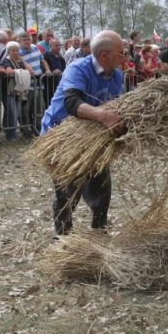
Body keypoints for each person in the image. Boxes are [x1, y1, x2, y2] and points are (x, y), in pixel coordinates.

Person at [41, 30, 125, 235]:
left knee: (101, 187)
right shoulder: (78, 69)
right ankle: (63, 239)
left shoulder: (116, 75)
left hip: (93, 139)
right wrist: (103, 116)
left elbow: (117, 104)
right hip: (62, 136)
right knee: (67, 192)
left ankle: (99, 234)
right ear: (104, 55)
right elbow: (71, 102)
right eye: (120, 53)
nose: (124, 58)